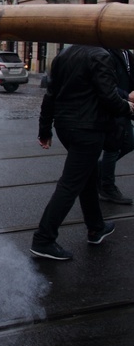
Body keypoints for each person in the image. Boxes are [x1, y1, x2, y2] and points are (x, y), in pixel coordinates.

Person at [31, 45, 133, 261]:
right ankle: (43, 239)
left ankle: (96, 227)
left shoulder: (65, 53)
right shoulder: (101, 55)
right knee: (70, 184)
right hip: (88, 128)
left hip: (66, 127)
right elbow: (108, 96)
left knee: (88, 174)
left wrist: (45, 128)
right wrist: (129, 108)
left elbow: (50, 94)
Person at [97, 48, 134, 205]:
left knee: (130, 143)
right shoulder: (107, 52)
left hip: (125, 106)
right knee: (113, 147)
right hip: (113, 106)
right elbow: (104, 83)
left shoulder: (128, 54)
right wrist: (126, 95)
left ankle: (96, 171)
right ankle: (107, 186)